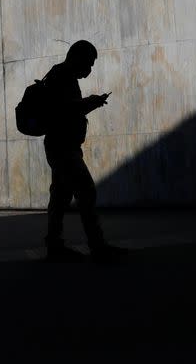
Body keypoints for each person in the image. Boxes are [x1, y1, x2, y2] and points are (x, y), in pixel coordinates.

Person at [41, 40, 126, 264]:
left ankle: (55, 245)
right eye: (89, 63)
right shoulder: (61, 76)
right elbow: (64, 109)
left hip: (63, 145)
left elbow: (67, 109)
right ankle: (96, 246)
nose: (90, 68)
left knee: (60, 197)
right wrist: (90, 102)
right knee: (86, 192)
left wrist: (90, 103)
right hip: (63, 147)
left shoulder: (61, 75)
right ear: (77, 57)